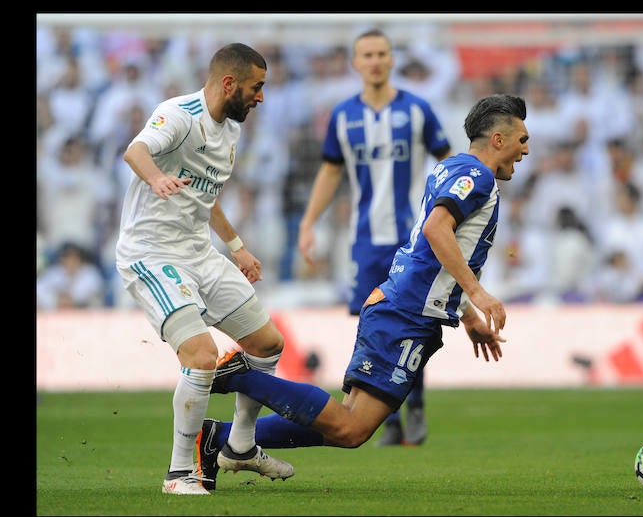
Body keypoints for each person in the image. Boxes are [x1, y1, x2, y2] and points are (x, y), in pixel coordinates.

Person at [194, 93, 527, 486]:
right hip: (406, 312)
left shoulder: (451, 167)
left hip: (402, 303)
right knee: (351, 427)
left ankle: (219, 438)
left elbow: (430, 254)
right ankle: (238, 375)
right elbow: (436, 230)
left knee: (348, 426)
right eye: (522, 140)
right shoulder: (478, 178)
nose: (525, 150)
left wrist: (466, 314)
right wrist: (478, 294)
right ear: (498, 140)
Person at [115, 42, 294, 495]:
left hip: (199, 253)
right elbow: (136, 151)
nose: (261, 97)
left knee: (267, 344)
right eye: (256, 87)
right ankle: (180, 474)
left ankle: (240, 446)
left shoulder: (230, 130)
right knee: (200, 355)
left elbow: (205, 196)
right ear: (229, 83)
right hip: (152, 254)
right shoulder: (179, 114)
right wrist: (157, 177)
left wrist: (237, 247)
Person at [298, 28, 452, 446]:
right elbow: (330, 170)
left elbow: (448, 161)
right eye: (367, 55)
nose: (376, 61)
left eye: (382, 53)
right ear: (356, 63)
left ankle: (414, 402)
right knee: (374, 326)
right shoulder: (343, 115)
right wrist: (308, 222)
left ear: (392, 59)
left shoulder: (418, 110)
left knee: (414, 323)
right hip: (365, 240)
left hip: (413, 238)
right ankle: (389, 418)